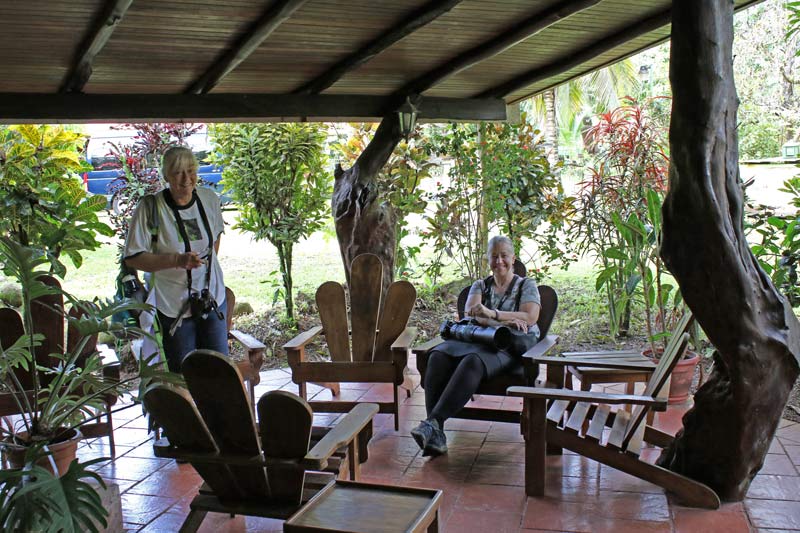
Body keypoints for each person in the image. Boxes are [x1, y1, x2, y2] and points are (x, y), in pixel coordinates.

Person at [411, 236, 541, 457]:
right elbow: (471, 314)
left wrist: (492, 314)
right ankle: (437, 433)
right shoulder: (480, 285)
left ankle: (432, 423)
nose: (499, 261)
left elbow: (530, 316)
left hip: (509, 346)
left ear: (513, 258)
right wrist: (501, 320)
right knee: (437, 356)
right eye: (494, 256)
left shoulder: (526, 285)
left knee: (473, 361)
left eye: (504, 256)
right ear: (487, 259)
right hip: (478, 340)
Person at [123, 145, 228, 373]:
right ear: (166, 176)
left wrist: (202, 271)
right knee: (183, 373)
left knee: (220, 370)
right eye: (178, 172)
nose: (186, 179)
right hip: (172, 304)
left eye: (190, 170)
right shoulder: (150, 208)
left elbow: (215, 239)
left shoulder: (209, 200)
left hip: (212, 298)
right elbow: (134, 258)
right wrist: (176, 261)